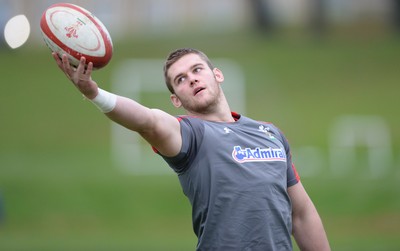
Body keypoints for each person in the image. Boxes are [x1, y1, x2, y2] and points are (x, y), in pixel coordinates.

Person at [52, 48, 330, 251]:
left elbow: (302, 214)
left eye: (197, 70)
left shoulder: (270, 133)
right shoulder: (189, 135)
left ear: (216, 74)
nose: (193, 79)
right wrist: (94, 94)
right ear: (175, 99)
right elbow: (147, 121)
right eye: (181, 79)